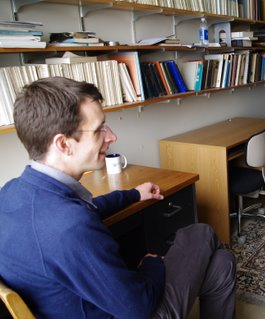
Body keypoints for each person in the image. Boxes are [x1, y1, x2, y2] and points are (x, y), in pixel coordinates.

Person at [0, 77, 236, 319]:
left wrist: (134, 194)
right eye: (99, 129)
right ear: (63, 144)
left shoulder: (11, 194)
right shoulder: (70, 226)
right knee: (201, 233)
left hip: (75, 303)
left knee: (221, 263)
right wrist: (151, 265)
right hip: (130, 311)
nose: (111, 136)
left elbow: (87, 209)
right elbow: (138, 307)